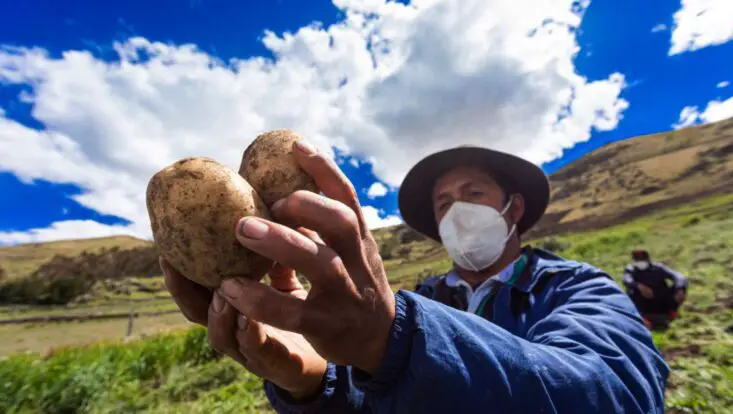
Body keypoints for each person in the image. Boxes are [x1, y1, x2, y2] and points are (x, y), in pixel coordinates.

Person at [161, 142, 670, 413]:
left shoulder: (577, 288)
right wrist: (314, 380)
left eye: (473, 195)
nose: (457, 211)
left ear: (513, 208)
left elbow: (617, 395)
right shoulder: (425, 298)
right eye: (444, 203)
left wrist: (395, 342)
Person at [622, 249, 688, 330]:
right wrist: (639, 286)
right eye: (638, 260)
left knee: (679, 286)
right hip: (643, 304)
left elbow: (679, 277)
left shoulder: (658, 269)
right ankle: (641, 318)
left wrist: (680, 289)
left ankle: (670, 313)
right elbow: (626, 280)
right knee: (631, 291)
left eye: (642, 260)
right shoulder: (631, 271)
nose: (640, 262)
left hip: (660, 301)